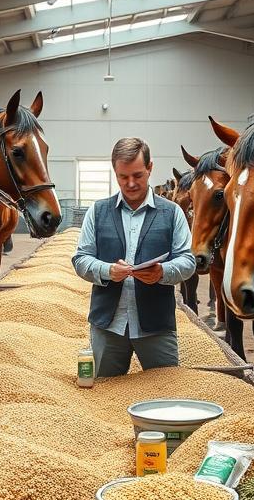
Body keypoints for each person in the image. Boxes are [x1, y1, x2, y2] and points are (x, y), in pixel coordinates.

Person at [72, 138, 196, 377]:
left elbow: (187, 261)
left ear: (150, 168)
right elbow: (81, 259)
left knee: (166, 391)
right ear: (115, 172)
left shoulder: (172, 213)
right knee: (103, 395)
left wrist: (162, 272)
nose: (130, 183)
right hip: (108, 326)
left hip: (156, 327)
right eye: (123, 176)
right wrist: (108, 270)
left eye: (138, 175)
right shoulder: (98, 212)